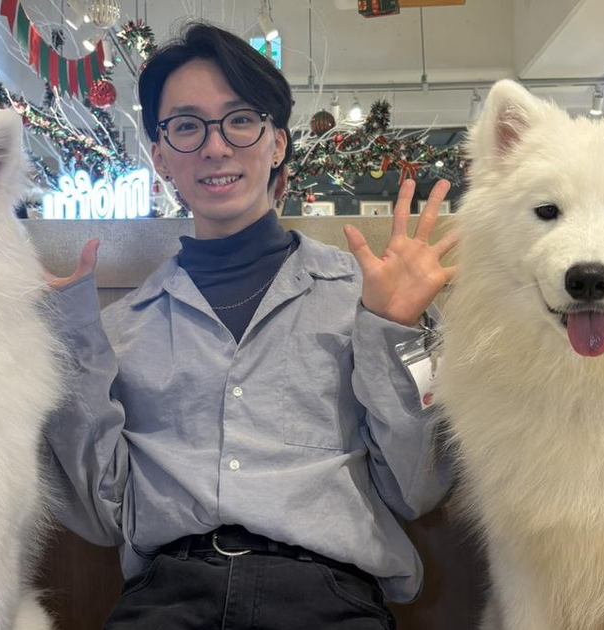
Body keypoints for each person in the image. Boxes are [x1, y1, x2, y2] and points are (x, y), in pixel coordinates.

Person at [43, 21, 457, 629]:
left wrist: (394, 329)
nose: (216, 147)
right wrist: (64, 339)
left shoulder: (367, 297)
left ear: (277, 142)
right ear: (160, 156)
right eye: (187, 126)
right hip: (166, 598)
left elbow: (418, 489)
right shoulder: (121, 329)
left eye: (240, 120)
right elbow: (102, 518)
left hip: (328, 594)